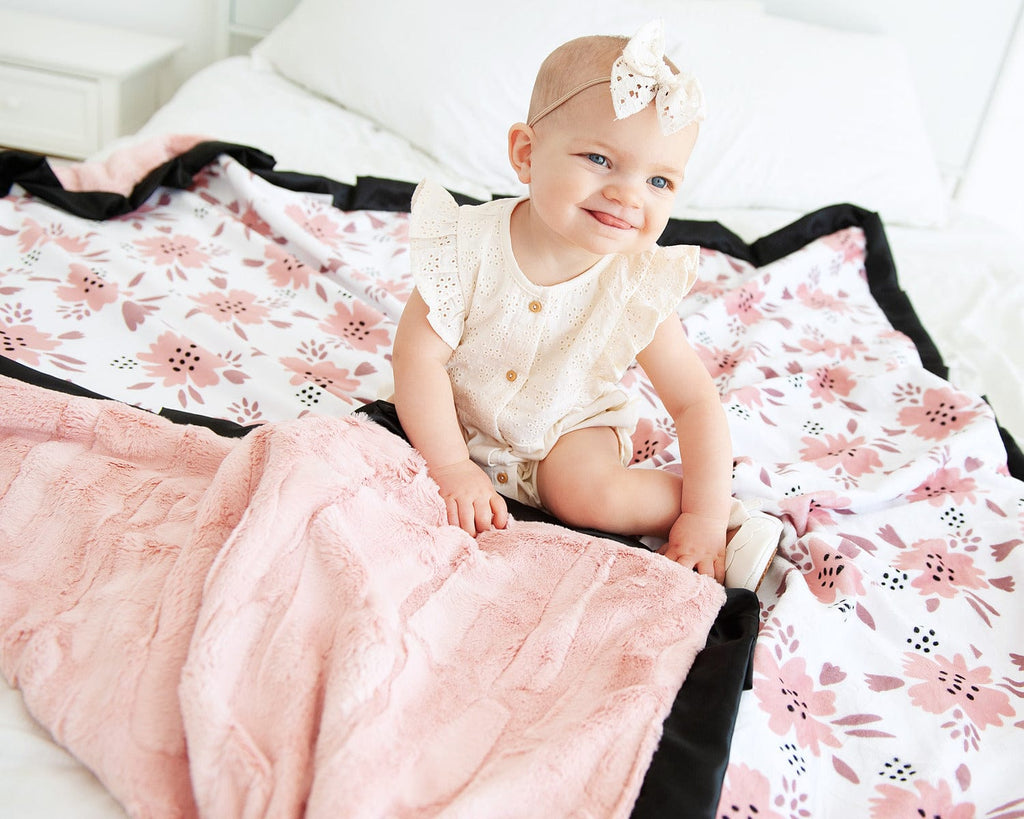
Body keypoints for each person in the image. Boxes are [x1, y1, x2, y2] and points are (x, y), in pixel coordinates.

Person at [391, 20, 781, 590]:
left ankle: (724, 519)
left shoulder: (634, 283)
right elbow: (416, 360)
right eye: (599, 159)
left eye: (659, 181)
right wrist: (451, 467)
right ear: (526, 154)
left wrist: (702, 517)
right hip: (460, 416)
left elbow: (696, 402)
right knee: (390, 457)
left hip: (570, 423)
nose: (628, 195)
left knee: (585, 495)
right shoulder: (466, 247)